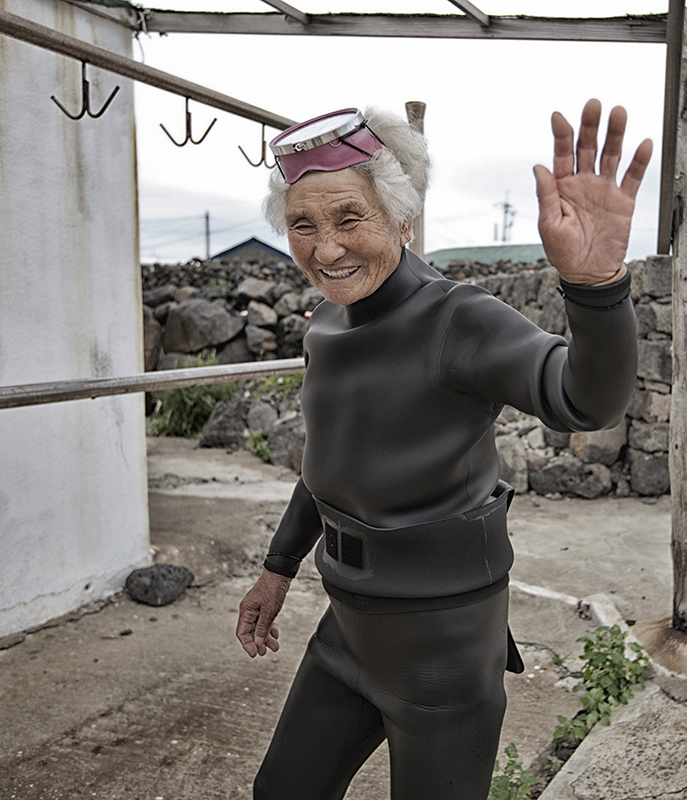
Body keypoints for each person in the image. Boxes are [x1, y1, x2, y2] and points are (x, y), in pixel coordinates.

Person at [236, 99, 652, 800]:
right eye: (302, 225)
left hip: (443, 652)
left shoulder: (459, 320)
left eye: (348, 218)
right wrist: (278, 569)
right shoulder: (327, 325)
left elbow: (585, 399)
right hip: (349, 633)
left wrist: (596, 288)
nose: (325, 248)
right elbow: (328, 463)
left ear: (401, 218)